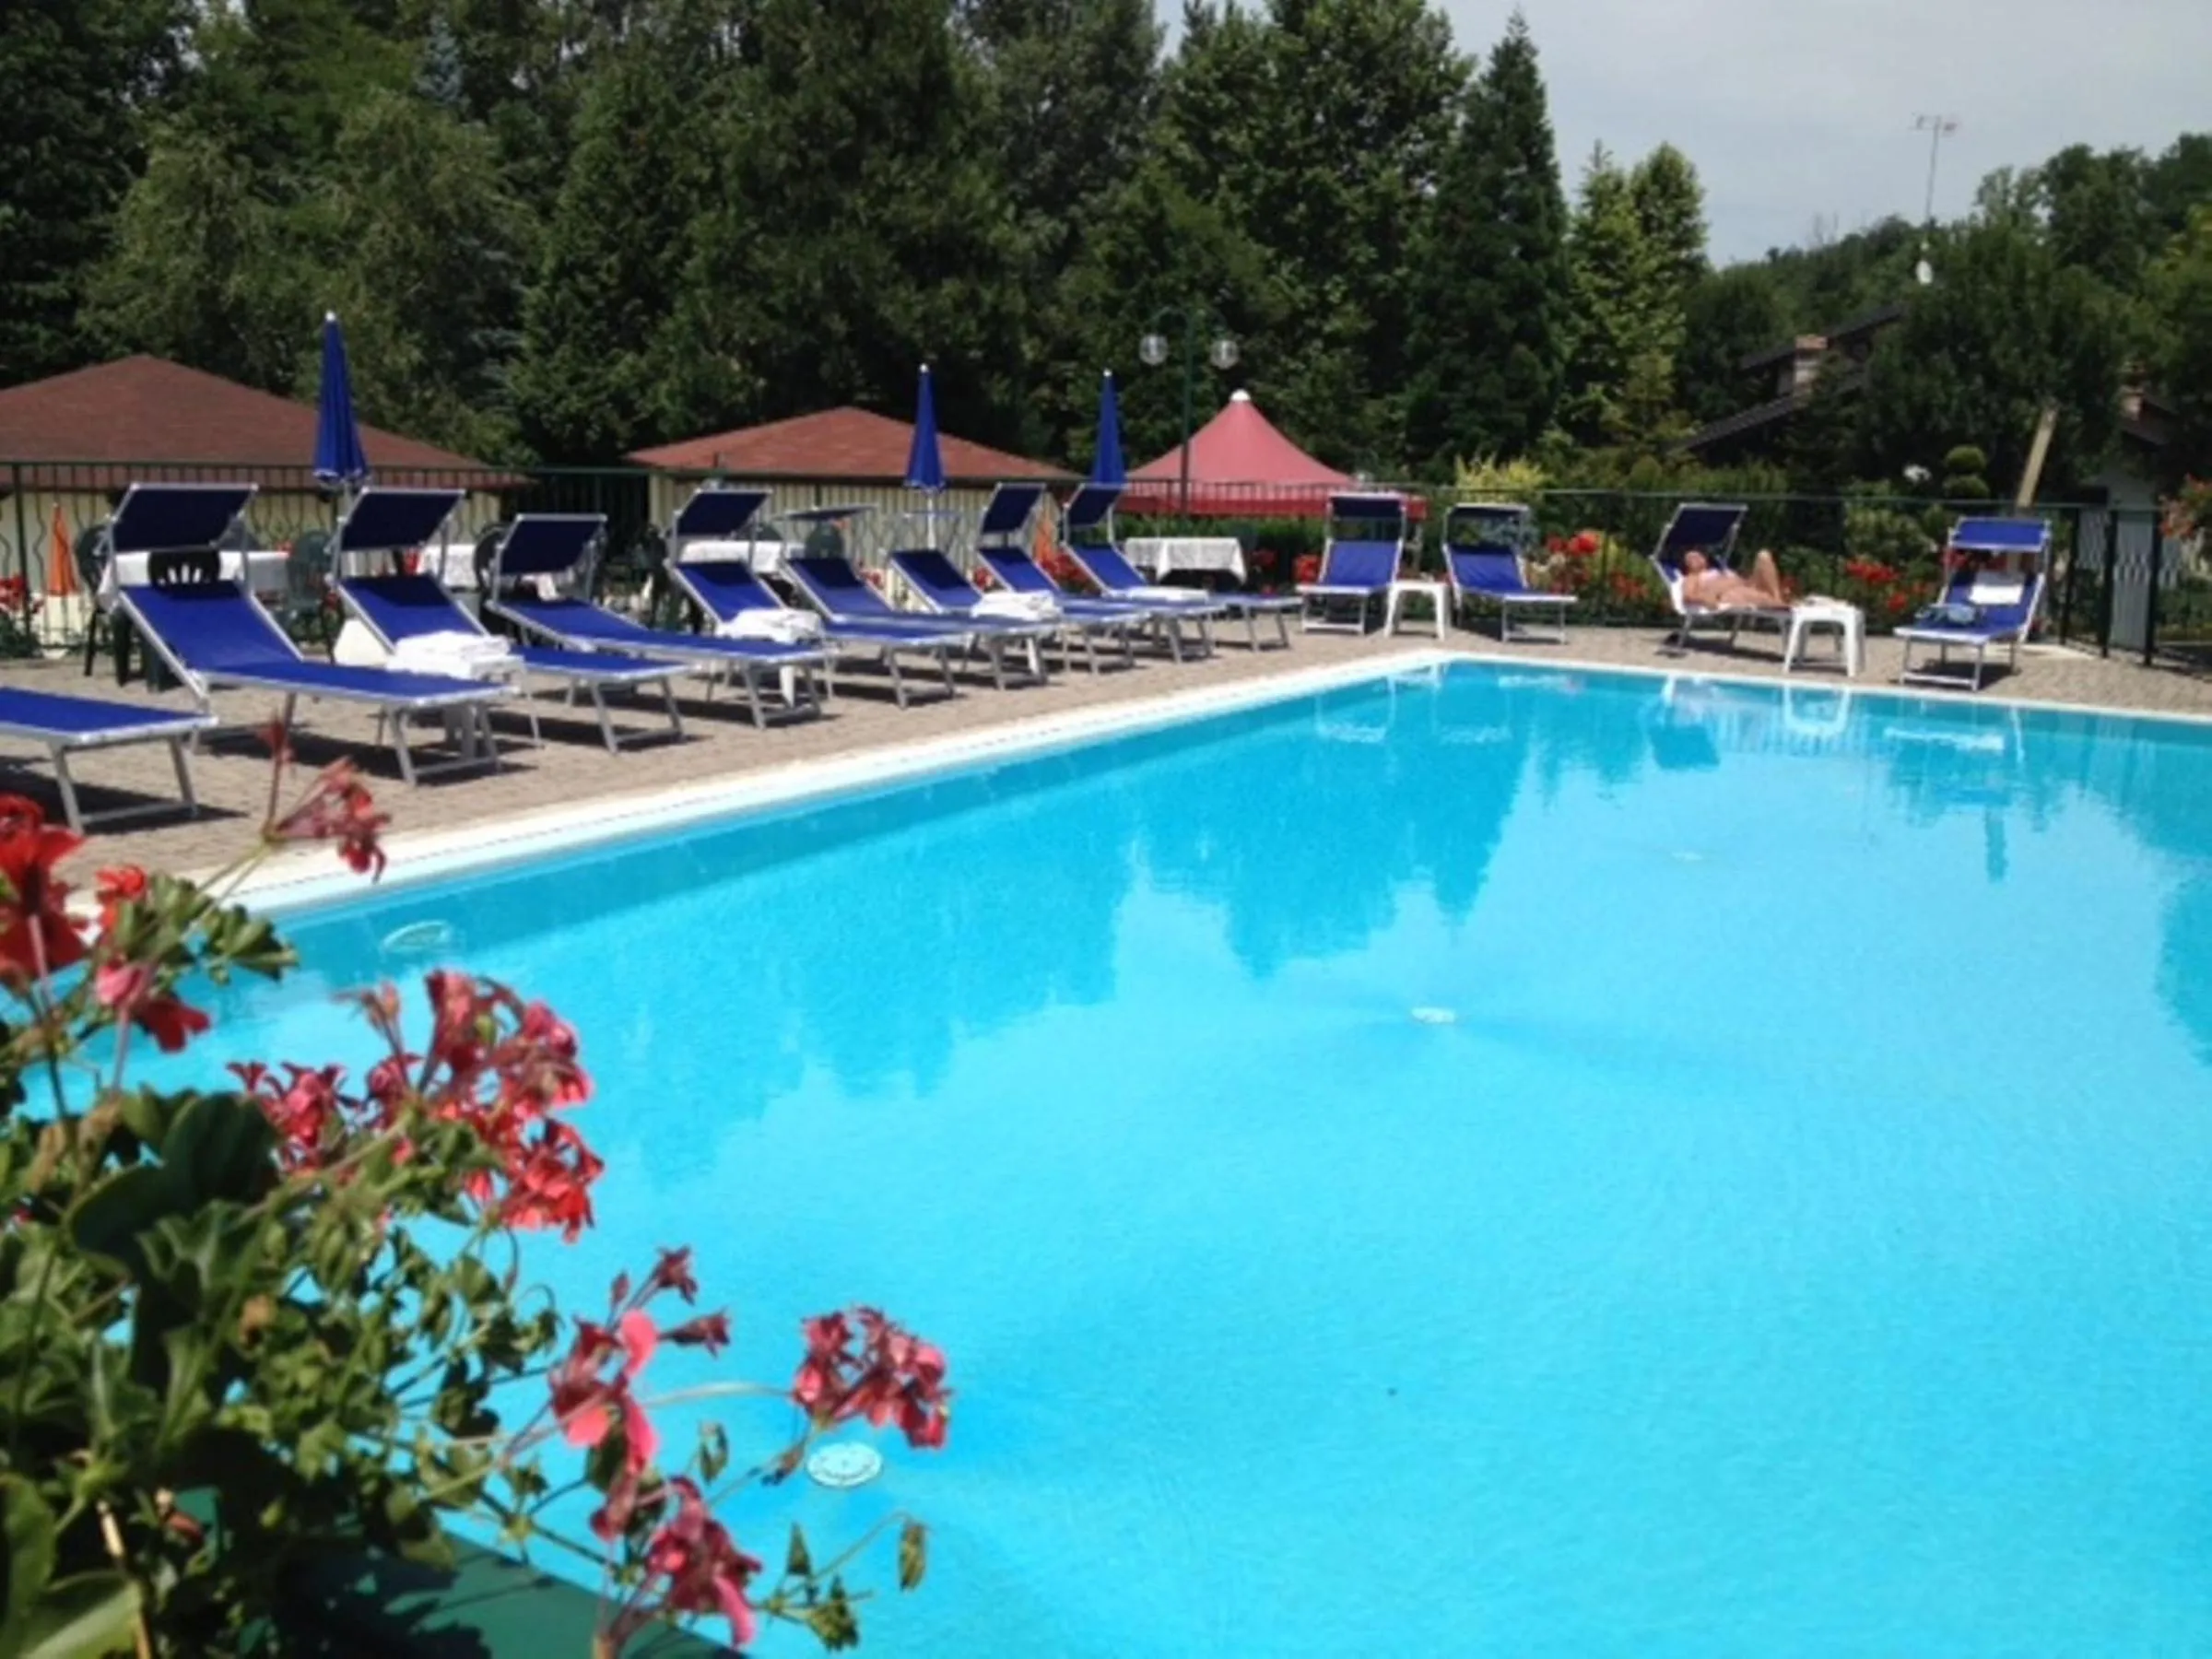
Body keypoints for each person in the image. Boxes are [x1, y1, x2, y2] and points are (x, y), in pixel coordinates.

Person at [1678, 547, 1787, 609]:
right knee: (1746, 594)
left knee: (1763, 556)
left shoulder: (1719, 570)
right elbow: (1688, 596)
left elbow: (1741, 580)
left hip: (1746, 585)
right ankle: (1777, 603)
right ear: (1687, 567)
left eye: (1699, 555)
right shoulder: (1692, 577)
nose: (1697, 558)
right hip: (1727, 594)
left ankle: (1777, 599)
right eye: (1691, 558)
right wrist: (1705, 598)